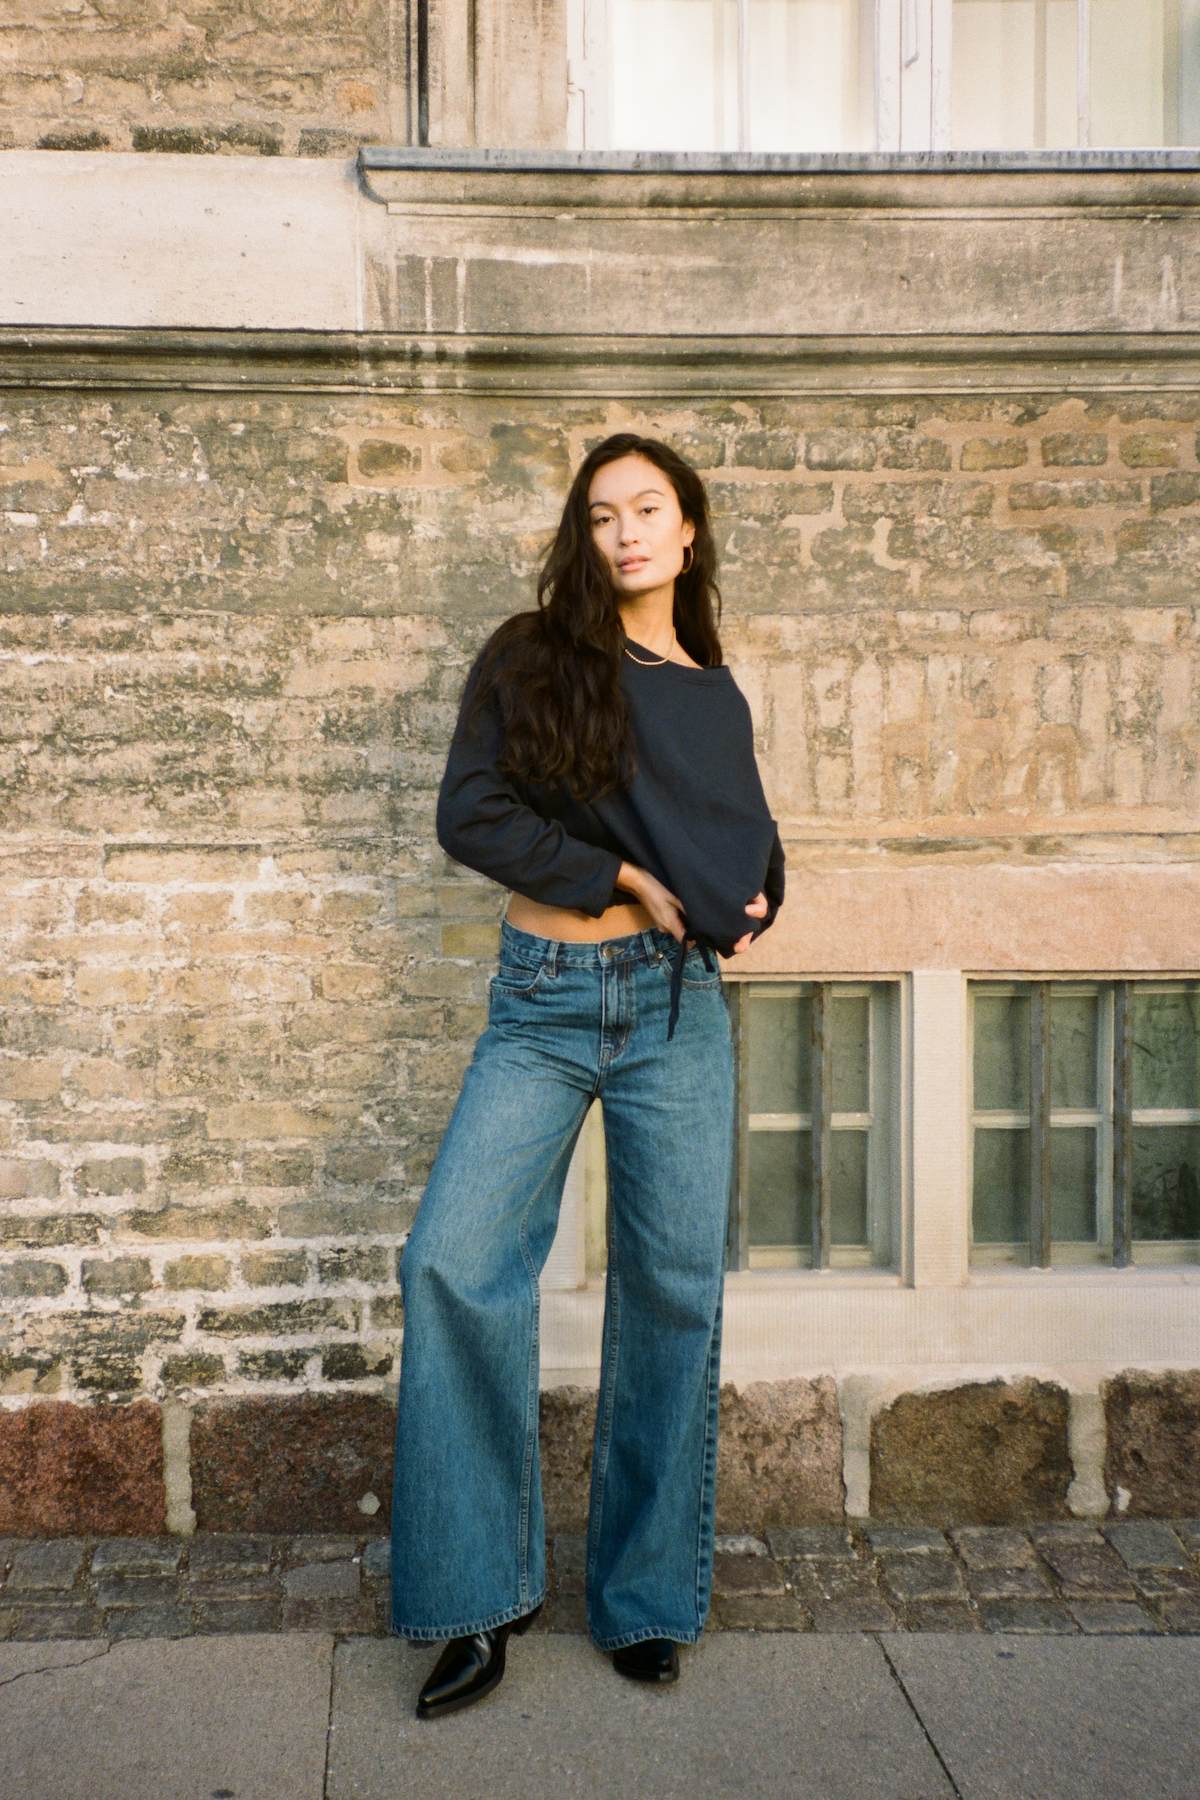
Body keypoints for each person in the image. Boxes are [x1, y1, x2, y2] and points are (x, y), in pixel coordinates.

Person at [388, 430, 785, 1718]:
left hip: (675, 1009)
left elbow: (746, 839)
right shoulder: (531, 654)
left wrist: (759, 895)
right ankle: (476, 1601)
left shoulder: (712, 689)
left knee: (671, 1294)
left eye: (648, 510)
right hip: (543, 1001)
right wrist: (616, 874)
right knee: (451, 1261)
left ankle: (646, 1598)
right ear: (584, 534)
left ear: (688, 529)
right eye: (603, 514)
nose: (625, 533)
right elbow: (471, 812)